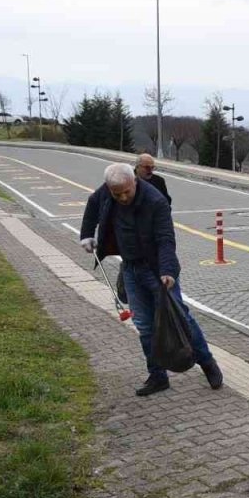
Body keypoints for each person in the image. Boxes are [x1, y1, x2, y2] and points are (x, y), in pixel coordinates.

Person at [80, 163, 222, 396]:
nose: (122, 197)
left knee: (180, 319)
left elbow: (166, 239)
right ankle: (157, 376)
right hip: (130, 268)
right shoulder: (107, 190)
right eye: (117, 194)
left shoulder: (156, 201)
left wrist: (167, 271)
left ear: (134, 181)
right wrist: (86, 234)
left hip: (157, 271)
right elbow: (93, 203)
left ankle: (206, 362)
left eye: (126, 192)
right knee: (145, 325)